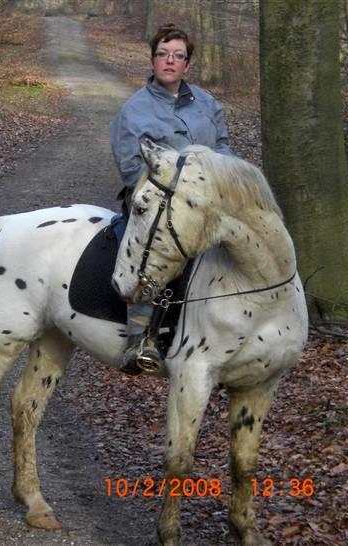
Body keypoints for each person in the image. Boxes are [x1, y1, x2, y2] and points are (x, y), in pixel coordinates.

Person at [110, 23, 232, 375]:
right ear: (152, 60)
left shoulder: (207, 104)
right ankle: (140, 338)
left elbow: (223, 149)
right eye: (163, 54)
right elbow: (133, 168)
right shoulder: (134, 111)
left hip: (208, 201)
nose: (170, 61)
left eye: (178, 56)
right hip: (157, 204)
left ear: (187, 64)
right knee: (152, 252)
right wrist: (175, 198)